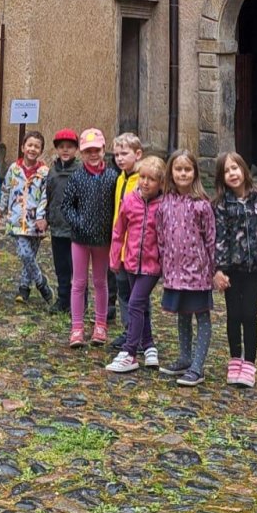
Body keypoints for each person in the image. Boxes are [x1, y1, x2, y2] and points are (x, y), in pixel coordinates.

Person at [213, 150, 257, 386]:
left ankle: (249, 363)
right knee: (234, 315)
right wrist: (218, 269)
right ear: (221, 177)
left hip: (254, 268)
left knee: (249, 315)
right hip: (231, 268)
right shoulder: (221, 204)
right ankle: (235, 359)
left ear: (243, 169)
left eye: (235, 168)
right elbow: (219, 238)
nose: (232, 174)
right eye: (226, 171)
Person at [155, 149, 217, 387]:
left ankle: (197, 367)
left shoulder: (202, 205)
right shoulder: (165, 203)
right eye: (178, 169)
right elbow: (161, 236)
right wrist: (164, 265)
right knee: (182, 314)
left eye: (187, 169)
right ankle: (184, 358)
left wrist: (213, 269)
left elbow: (211, 239)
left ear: (195, 173)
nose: (183, 174)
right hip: (174, 272)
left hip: (197, 272)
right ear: (171, 172)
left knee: (201, 315)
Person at [105, 153, 164, 374]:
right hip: (130, 261)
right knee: (141, 304)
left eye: (151, 179)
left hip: (152, 265)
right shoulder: (130, 200)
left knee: (135, 303)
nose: (145, 183)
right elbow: (119, 230)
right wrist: (115, 257)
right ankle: (149, 345)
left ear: (161, 183)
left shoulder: (163, 204)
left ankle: (129, 352)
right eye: (143, 177)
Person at [63, 128, 119, 347]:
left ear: (104, 150)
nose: (93, 155)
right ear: (82, 153)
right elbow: (67, 206)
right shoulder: (77, 177)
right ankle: (77, 327)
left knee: (100, 282)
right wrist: (79, 223)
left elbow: (118, 206)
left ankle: (100, 325)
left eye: (96, 150)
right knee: (78, 283)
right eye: (88, 151)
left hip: (103, 240)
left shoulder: (112, 177)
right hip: (80, 239)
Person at [1, 129, 52, 305]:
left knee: (30, 256)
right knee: (24, 253)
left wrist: (42, 218)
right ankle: (41, 281)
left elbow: (45, 196)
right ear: (23, 147)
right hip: (17, 219)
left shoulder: (44, 172)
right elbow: (6, 189)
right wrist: (1, 209)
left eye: (36, 146)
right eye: (29, 145)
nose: (32, 149)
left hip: (36, 221)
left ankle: (24, 288)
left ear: (41, 150)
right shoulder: (14, 169)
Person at [109, 132, 144, 334]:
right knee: (122, 289)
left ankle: (139, 333)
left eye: (124, 154)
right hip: (120, 245)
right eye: (116, 155)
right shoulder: (120, 178)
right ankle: (128, 330)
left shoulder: (143, 181)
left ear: (137, 154)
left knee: (137, 294)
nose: (120, 159)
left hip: (136, 247)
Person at [45, 129, 80, 316]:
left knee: (77, 268)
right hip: (57, 226)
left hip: (75, 228)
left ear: (76, 149)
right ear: (57, 149)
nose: (65, 150)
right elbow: (48, 196)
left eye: (69, 147)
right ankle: (63, 299)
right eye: (61, 147)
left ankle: (79, 302)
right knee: (61, 267)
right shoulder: (52, 172)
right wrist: (46, 217)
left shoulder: (81, 171)